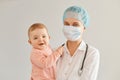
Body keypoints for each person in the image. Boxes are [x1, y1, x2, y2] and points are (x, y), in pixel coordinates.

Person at [56, 6, 100, 80]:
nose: (70, 27)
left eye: (75, 24)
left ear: (84, 27)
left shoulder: (91, 53)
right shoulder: (55, 53)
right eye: (66, 24)